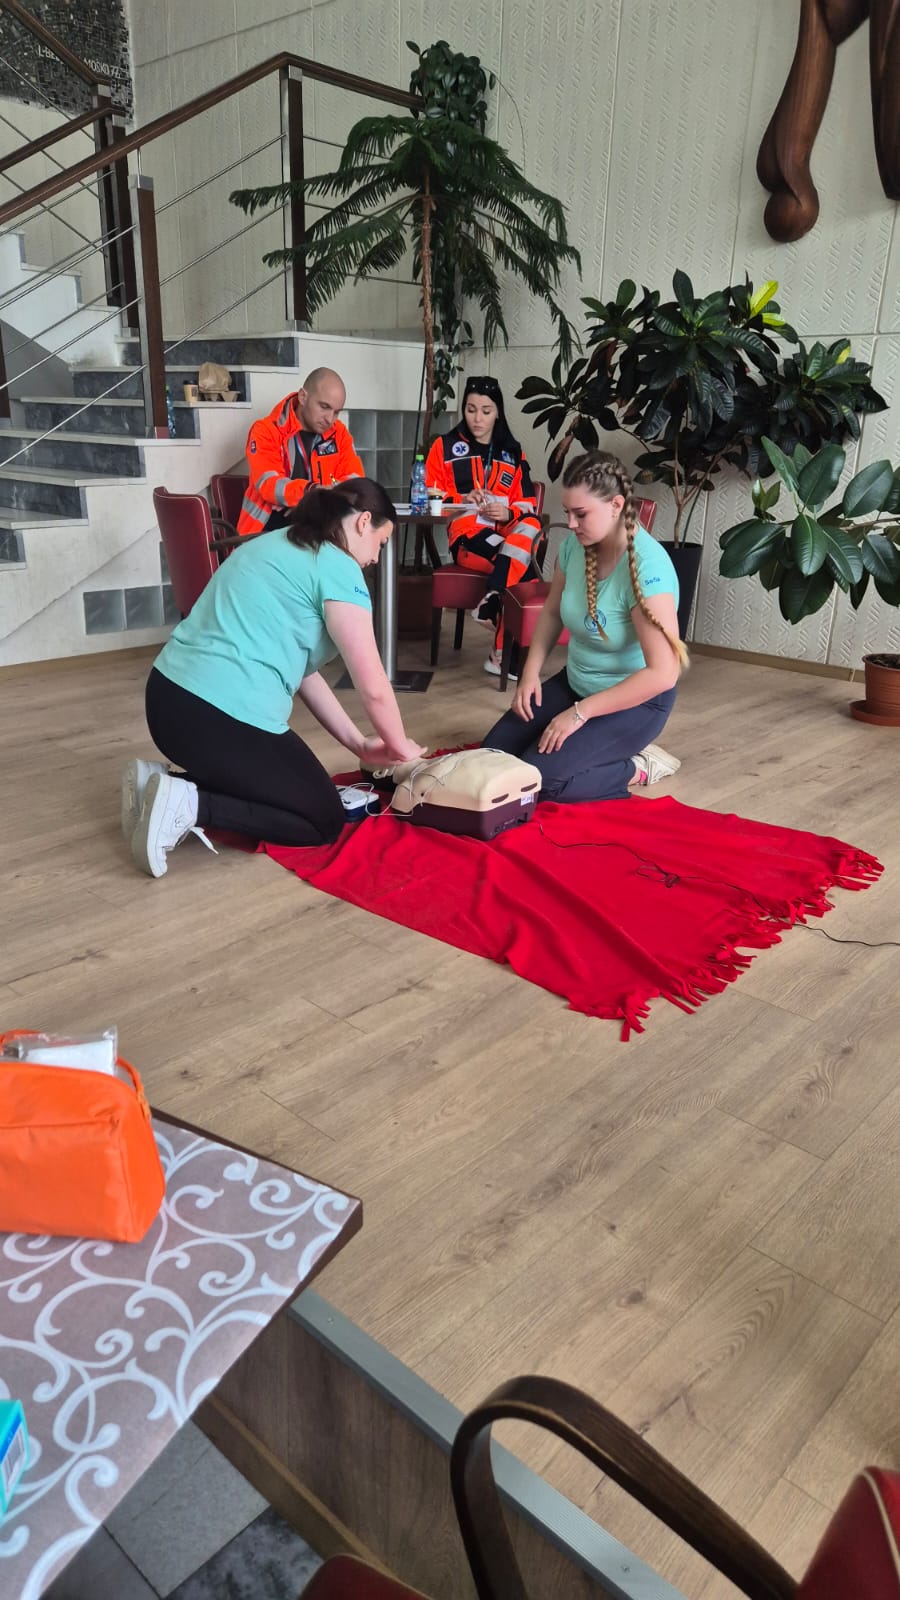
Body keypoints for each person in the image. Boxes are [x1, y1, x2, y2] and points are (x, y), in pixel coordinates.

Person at [122, 480, 424, 878]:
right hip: (217, 718)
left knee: (281, 784)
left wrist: (359, 744)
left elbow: (303, 674)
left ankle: (160, 783)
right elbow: (373, 687)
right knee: (321, 818)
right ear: (363, 522)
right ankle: (190, 804)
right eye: (381, 543)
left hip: (167, 702)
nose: (375, 558)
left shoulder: (278, 543)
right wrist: (402, 748)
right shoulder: (339, 568)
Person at [483, 451, 687, 802]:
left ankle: (637, 766)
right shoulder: (574, 548)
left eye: (581, 514)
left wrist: (579, 714)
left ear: (616, 505)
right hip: (576, 683)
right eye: (567, 512)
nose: (571, 524)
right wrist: (530, 674)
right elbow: (551, 613)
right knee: (493, 757)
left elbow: (663, 674)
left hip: (636, 704)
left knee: (540, 782)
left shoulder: (647, 569)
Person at [425, 376, 542, 677]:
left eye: (486, 411)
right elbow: (427, 499)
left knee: (532, 523)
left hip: (507, 534)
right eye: (470, 409)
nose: (477, 418)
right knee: (524, 570)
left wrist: (507, 512)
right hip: (468, 536)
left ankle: (494, 601)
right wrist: (461, 499)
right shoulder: (444, 446)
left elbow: (528, 505)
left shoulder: (513, 452)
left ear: (498, 412)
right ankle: (502, 653)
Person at [237, 367, 364, 536]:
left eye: (336, 412)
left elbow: (355, 483)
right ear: (303, 396)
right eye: (324, 407)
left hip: (318, 523)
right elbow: (270, 485)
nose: (329, 419)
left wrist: (310, 502)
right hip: (265, 530)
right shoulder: (266, 430)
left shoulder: (339, 433)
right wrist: (313, 493)